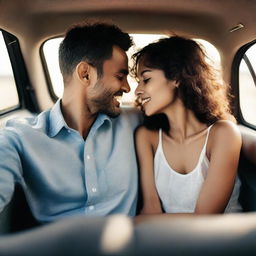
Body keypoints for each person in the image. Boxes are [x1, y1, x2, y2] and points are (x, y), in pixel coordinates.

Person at [0, 21, 141, 223]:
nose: (127, 88)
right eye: (120, 76)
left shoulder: (135, 122)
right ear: (86, 74)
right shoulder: (20, 137)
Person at [132, 36, 242, 218]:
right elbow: (151, 209)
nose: (137, 90)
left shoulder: (223, 135)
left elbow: (204, 218)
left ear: (176, 78)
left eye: (146, 79)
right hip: (170, 242)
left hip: (223, 243)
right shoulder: (147, 137)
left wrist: (135, 226)